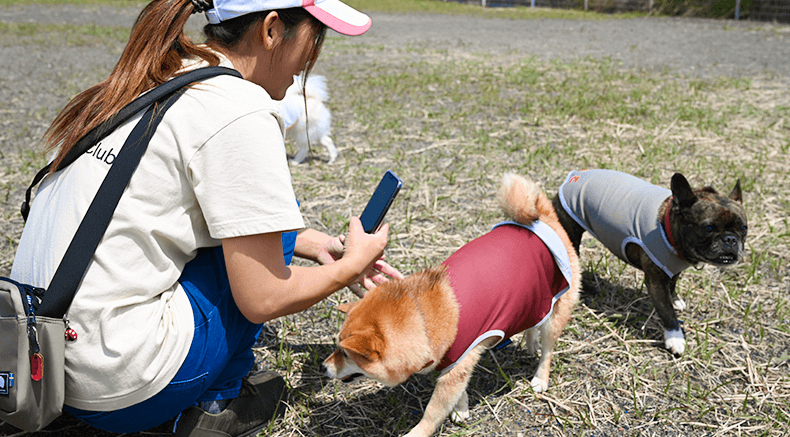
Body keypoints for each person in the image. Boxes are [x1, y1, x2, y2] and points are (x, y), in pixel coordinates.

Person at [10, 0, 401, 435]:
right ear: (271, 30)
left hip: (37, 358)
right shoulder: (241, 108)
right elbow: (264, 297)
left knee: (269, 231)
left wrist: (317, 245)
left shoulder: (163, 74)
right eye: (315, 38)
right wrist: (350, 264)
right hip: (116, 387)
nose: (311, 60)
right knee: (271, 241)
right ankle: (219, 404)